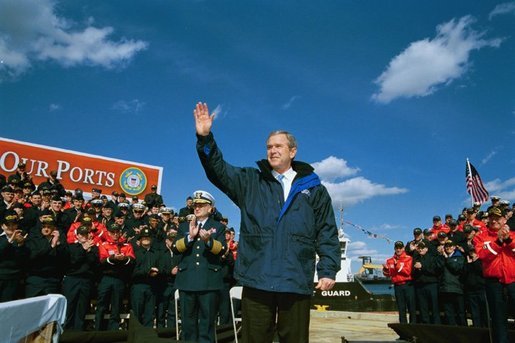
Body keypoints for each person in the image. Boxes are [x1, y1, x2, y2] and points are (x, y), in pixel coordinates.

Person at [193, 102, 340, 343]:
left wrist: (327, 269)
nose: (272, 150)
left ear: (292, 151)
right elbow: (217, 170)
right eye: (269, 147)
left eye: (278, 146)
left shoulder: (314, 190)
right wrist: (205, 138)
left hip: (295, 278)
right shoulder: (250, 181)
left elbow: (326, 230)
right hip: (257, 277)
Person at [172, 190, 227, 343]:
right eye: (196, 205)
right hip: (187, 280)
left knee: (206, 324)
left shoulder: (218, 227)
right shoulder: (184, 226)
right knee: (188, 325)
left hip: (208, 281)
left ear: (211, 208)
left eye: (202, 205)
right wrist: (189, 237)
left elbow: (222, 250)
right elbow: (175, 248)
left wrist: (208, 241)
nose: (197, 208)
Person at [474, 207, 515, 343]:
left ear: (504, 219)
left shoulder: (513, 234)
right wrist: (498, 241)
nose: (494, 220)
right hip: (494, 283)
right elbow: (483, 255)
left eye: (497, 218)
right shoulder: (481, 237)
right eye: (491, 218)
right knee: (498, 320)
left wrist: (508, 239)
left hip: (513, 281)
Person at [95, 223, 135, 330]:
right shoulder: (104, 245)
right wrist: (113, 258)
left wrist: (124, 259)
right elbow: (102, 260)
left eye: (117, 232)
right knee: (101, 305)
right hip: (106, 278)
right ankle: (98, 331)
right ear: (109, 233)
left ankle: (113, 333)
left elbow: (132, 260)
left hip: (119, 279)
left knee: (117, 306)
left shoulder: (127, 245)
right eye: (113, 232)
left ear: (120, 233)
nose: (115, 234)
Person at [62, 225, 99, 330]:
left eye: (86, 234)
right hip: (72, 279)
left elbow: (95, 263)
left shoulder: (94, 248)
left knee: (81, 310)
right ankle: (66, 334)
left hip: (86, 280)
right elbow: (73, 262)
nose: (84, 236)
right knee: (69, 308)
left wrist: (89, 250)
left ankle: (78, 335)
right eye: (81, 234)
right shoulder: (71, 247)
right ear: (77, 236)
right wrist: (83, 249)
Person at [383, 241, 416, 324]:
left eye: (400, 248)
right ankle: (404, 329)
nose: (398, 249)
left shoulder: (409, 258)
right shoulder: (389, 260)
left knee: (411, 307)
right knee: (401, 309)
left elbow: (407, 272)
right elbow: (388, 274)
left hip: (408, 285)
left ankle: (413, 328)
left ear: (403, 248)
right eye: (397, 248)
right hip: (397, 286)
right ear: (394, 248)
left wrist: (397, 264)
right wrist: (386, 270)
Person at [0, 213, 29, 301]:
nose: (11, 227)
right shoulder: (1, 239)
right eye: (8, 225)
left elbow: (24, 259)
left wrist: (21, 244)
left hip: (14, 278)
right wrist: (10, 240)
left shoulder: (21, 238)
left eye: (13, 225)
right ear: (2, 226)